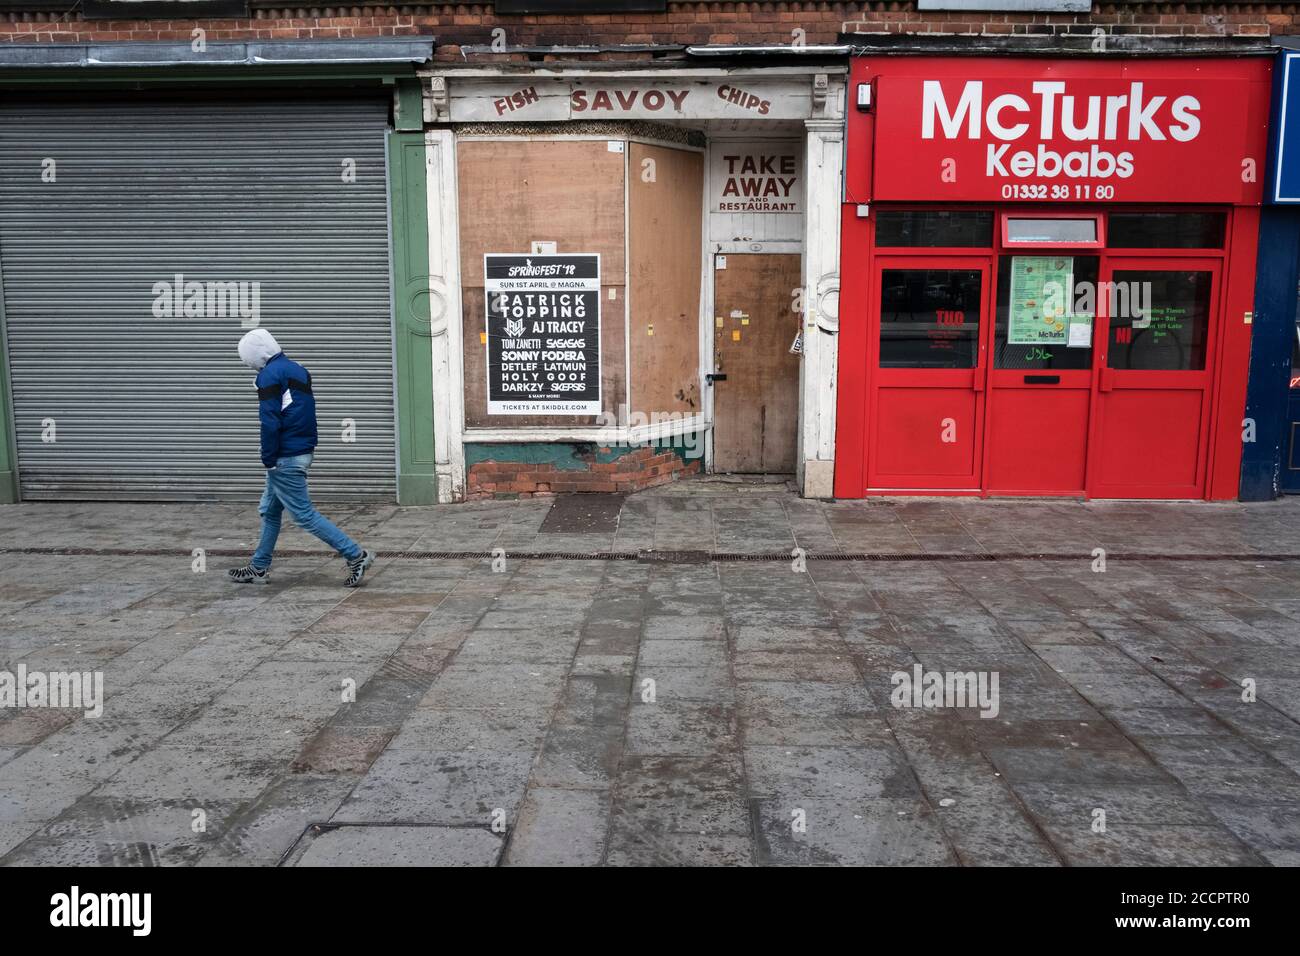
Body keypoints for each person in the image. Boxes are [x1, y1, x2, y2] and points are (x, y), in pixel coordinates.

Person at [227, 328, 374, 587]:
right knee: (270, 511)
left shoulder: (269, 376)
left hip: (285, 456)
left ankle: (356, 555)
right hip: (301, 449)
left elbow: (270, 421)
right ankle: (259, 567)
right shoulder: (298, 369)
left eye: (247, 360)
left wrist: (268, 457)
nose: (248, 366)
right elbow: (299, 412)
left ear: (255, 356)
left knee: (304, 515)